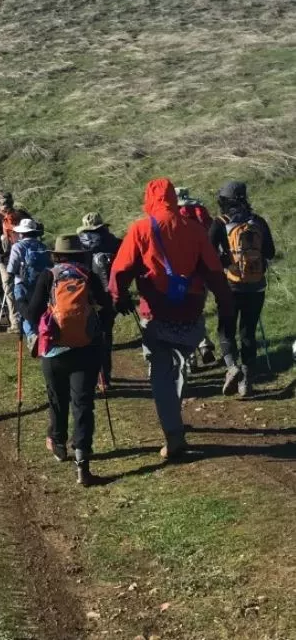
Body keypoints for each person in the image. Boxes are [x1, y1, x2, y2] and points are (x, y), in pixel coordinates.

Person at [109, 179, 234, 460]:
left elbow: (121, 269)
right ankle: (173, 418)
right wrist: (226, 304)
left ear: (150, 198)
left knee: (161, 374)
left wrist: (118, 298)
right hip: (190, 310)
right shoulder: (195, 229)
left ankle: (173, 432)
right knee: (180, 367)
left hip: (155, 312)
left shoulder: (141, 229)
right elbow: (214, 271)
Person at [25, 235, 114, 486]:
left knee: (57, 399)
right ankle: (82, 461)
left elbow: (32, 313)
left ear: (56, 255)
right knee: (83, 403)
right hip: (86, 349)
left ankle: (58, 442)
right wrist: (99, 333)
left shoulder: (49, 276)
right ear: (79, 254)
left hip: (54, 351)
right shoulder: (88, 276)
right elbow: (107, 307)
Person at [209, 181, 276, 397]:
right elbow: (271, 252)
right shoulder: (258, 222)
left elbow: (208, 254)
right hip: (256, 288)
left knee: (226, 329)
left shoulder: (220, 223)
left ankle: (232, 367)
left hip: (230, 285)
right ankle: (246, 382)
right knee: (248, 332)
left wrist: (224, 261)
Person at [77, 213, 122, 386]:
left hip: (86, 295)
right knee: (106, 335)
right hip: (110, 295)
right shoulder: (114, 242)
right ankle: (105, 376)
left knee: (88, 336)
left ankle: (93, 374)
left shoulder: (78, 245)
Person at [176, 188, 219, 368]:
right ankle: (203, 344)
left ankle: (190, 359)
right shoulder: (201, 213)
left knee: (179, 314)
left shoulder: (173, 215)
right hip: (202, 272)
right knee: (196, 310)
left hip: (179, 273)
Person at [0, 192, 32, 332]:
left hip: (4, 258)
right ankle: (28, 318)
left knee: (9, 289)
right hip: (23, 255)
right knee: (24, 285)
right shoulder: (21, 214)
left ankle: (15, 322)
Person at [6, 218, 51, 355]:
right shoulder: (42, 247)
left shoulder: (17, 247)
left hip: (22, 284)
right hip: (41, 284)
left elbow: (11, 269)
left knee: (23, 310)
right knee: (39, 310)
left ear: (22, 233)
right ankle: (41, 335)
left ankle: (31, 335)